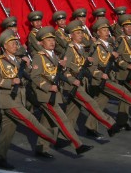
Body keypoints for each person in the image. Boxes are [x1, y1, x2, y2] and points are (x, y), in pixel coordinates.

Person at [0, 30, 59, 168]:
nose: (15, 45)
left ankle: (0, 158)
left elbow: (27, 76)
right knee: (30, 119)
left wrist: (27, 66)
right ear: (5, 46)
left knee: (7, 131)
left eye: (15, 42)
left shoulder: (18, 60)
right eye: (12, 43)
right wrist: (10, 82)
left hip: (19, 98)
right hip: (8, 99)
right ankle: (54, 138)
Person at [31, 26, 93, 156]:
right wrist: (48, 87)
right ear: (41, 43)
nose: (52, 42)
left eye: (53, 39)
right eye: (48, 40)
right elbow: (35, 77)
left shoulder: (54, 56)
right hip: (46, 95)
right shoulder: (39, 57)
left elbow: (60, 74)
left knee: (48, 122)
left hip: (54, 94)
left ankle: (41, 148)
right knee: (62, 120)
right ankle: (78, 145)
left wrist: (69, 78)